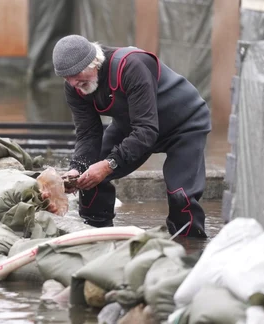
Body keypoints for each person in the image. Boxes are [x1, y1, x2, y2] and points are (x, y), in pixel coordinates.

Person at [52, 35, 211, 238]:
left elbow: (146, 131)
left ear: (93, 63)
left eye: (76, 74)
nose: (73, 83)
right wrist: (77, 169)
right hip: (135, 125)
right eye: (66, 77)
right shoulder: (75, 87)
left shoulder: (131, 66)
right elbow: (88, 133)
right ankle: (95, 235)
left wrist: (109, 164)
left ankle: (189, 248)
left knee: (181, 195)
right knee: (87, 175)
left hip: (184, 123)